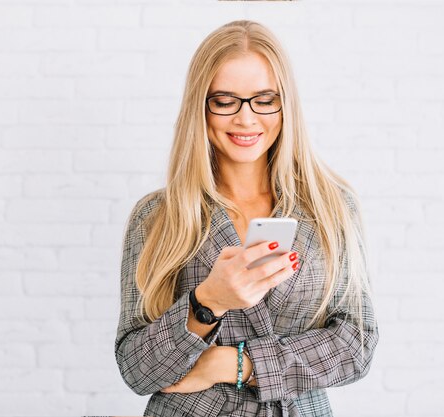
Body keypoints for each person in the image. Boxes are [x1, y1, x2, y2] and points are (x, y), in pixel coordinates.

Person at [114, 20, 379, 417]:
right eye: (225, 100)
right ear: (200, 107)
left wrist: (239, 364)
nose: (246, 118)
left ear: (284, 104)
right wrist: (207, 304)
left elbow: (356, 344)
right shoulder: (157, 217)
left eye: (264, 99)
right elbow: (136, 370)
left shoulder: (331, 207)